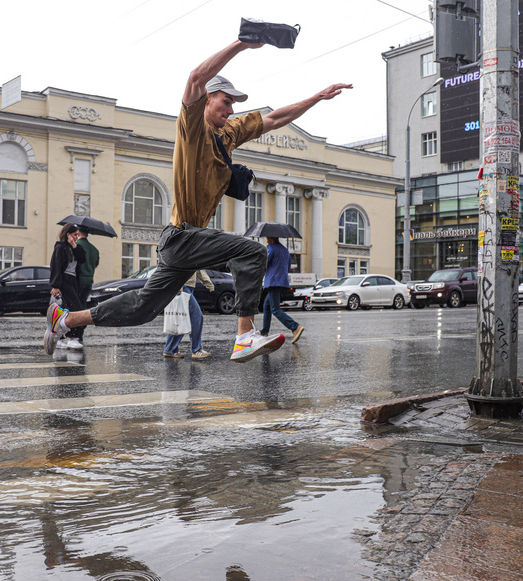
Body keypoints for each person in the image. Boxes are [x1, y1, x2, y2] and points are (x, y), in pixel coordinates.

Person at [44, 38, 351, 361]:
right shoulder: (192, 125)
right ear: (207, 99)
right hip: (182, 235)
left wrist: (317, 97)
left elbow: (273, 120)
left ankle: (65, 319)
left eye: (234, 104)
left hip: (185, 244)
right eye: (225, 101)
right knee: (251, 251)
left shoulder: (228, 133)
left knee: (143, 309)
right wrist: (243, 44)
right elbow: (195, 78)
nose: (231, 109)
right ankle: (245, 334)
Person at [48, 223, 87, 350]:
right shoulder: (60, 247)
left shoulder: (75, 247)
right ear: (68, 234)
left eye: (78, 235)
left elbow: (82, 259)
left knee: (65, 310)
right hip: (64, 280)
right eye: (75, 235)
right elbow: (56, 266)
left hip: (73, 281)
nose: (77, 237)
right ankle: (73, 337)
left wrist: (74, 246)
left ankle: (58, 337)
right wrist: (55, 285)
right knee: (76, 308)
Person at [260, 236, 304, 343]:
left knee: (275, 309)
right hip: (281, 281)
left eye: (267, 238)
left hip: (273, 281)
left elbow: (265, 263)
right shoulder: (285, 250)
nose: (266, 239)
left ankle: (295, 327)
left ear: (271, 238)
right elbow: (288, 267)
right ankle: (264, 332)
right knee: (267, 306)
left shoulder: (270, 248)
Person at [163, 270, 214, 360]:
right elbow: (176, 264)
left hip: (188, 286)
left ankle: (170, 349)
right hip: (182, 286)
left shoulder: (194, 255)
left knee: (181, 318)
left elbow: (198, 267)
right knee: (196, 316)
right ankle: (196, 349)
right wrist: (177, 285)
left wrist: (208, 283)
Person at [75, 227, 99, 306]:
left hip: (78, 278)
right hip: (89, 279)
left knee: (75, 303)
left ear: (78, 234)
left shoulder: (76, 245)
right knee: (83, 302)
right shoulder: (94, 249)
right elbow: (96, 264)